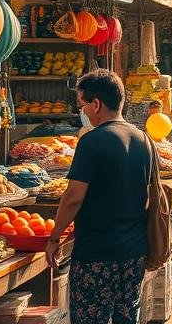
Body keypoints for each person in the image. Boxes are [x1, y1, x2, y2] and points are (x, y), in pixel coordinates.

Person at [48, 70, 154, 323]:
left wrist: (55, 237)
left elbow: (74, 196)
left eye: (82, 104)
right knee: (126, 318)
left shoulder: (92, 141)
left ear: (96, 104)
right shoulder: (143, 139)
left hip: (97, 252)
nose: (81, 111)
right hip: (134, 251)